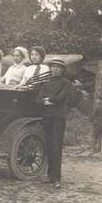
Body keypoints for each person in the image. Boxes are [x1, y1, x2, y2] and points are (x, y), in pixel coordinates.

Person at [36, 59, 71, 189]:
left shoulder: (66, 83)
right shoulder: (46, 83)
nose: (55, 69)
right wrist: (48, 101)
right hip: (47, 117)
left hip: (58, 117)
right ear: (50, 69)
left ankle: (57, 178)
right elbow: (38, 100)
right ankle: (50, 176)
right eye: (53, 67)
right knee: (49, 145)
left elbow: (61, 98)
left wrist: (48, 99)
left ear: (62, 70)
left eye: (58, 67)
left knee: (56, 146)